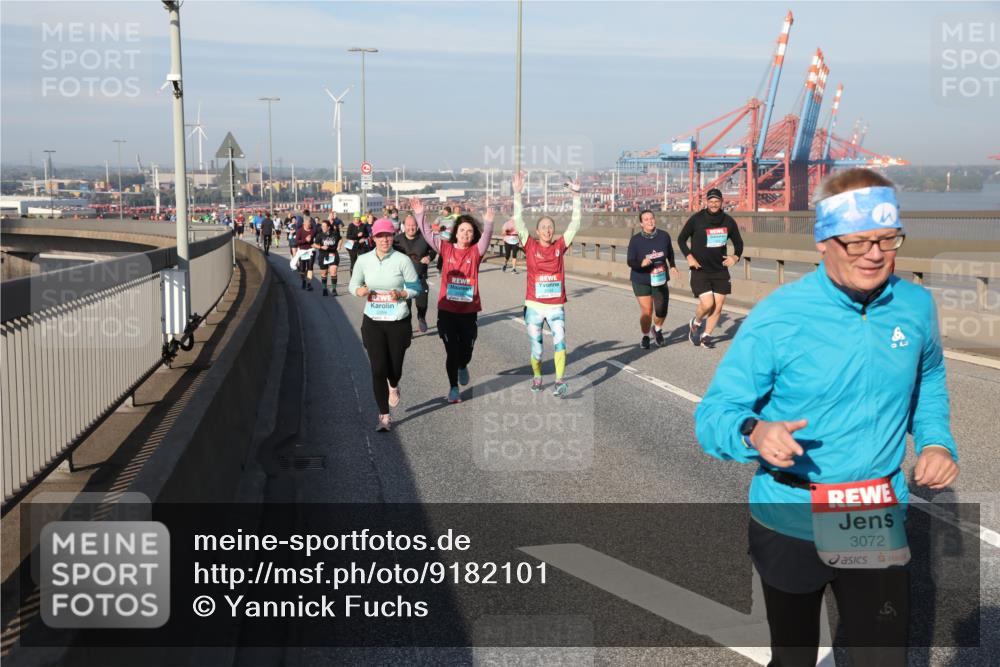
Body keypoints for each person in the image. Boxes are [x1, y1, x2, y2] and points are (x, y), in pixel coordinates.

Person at [694, 169, 959, 667]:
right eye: (857, 243)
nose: (875, 255)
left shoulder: (915, 305)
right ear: (823, 241)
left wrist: (936, 442)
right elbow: (715, 414)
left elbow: (930, 379)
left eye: (887, 239)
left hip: (870, 512)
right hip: (790, 512)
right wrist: (754, 431)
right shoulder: (779, 316)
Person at [415, 197, 494, 403]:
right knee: (451, 351)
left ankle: (463, 365)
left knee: (465, 352)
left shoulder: (476, 252)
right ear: (455, 232)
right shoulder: (446, 248)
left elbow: (486, 237)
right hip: (447, 310)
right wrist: (420, 215)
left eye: (469, 231)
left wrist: (489, 222)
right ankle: (453, 388)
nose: (466, 234)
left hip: (469, 311)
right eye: (462, 230)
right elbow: (428, 235)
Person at [349, 218, 422, 431]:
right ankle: (384, 416)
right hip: (373, 320)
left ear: (393, 236)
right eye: (380, 236)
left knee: (395, 368)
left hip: (398, 321)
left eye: (388, 235)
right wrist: (359, 291)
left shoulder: (402, 260)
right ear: (373, 238)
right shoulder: (363, 260)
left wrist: (402, 293)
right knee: (378, 368)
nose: (384, 240)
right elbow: (354, 284)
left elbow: (416, 287)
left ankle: (394, 384)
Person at [512, 172, 581, 396]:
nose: (547, 230)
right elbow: (519, 221)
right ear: (537, 231)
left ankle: (560, 381)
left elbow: (575, 224)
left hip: (555, 305)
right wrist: (517, 194)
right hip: (534, 305)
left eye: (550, 227)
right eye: (543, 227)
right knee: (538, 350)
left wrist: (576, 196)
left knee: (560, 342)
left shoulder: (560, 245)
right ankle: (538, 376)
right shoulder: (530, 245)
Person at [677, 188, 744, 349]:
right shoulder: (697, 219)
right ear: (706, 202)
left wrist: (735, 257)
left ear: (721, 203)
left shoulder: (728, 221)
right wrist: (689, 257)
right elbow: (681, 239)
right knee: (707, 304)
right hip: (700, 269)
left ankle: (706, 335)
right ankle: (696, 322)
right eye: (711, 201)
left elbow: (738, 242)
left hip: (720, 270)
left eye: (717, 201)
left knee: (718, 306)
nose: (714, 204)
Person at [626, 210, 680, 349]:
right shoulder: (636, 240)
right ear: (641, 223)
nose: (650, 221)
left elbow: (670, 253)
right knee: (647, 311)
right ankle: (645, 336)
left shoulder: (664, 236)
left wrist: (673, 266)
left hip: (660, 278)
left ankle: (656, 329)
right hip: (641, 278)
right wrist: (641, 263)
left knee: (662, 310)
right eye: (646, 219)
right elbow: (630, 261)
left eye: (651, 218)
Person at [394, 213, 432, 333]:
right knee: (406, 306)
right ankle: (408, 328)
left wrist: (429, 257)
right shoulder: (397, 240)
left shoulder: (424, 238)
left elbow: (434, 250)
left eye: (414, 225)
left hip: (420, 277)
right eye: (409, 225)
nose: (411, 228)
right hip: (403, 280)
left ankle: (421, 317)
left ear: (417, 226)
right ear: (404, 226)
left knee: (422, 303)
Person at [313, 218, 342, 296]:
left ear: (328, 227)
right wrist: (321, 247)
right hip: (323, 255)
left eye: (324, 226)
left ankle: (334, 289)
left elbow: (340, 239)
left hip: (333, 254)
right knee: (324, 273)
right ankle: (324, 289)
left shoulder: (335, 233)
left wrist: (339, 246)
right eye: (322, 226)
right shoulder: (319, 235)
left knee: (333, 270)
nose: (322, 228)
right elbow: (314, 244)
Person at [293, 216, 317, 290]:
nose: (310, 224)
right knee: (302, 269)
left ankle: (309, 284)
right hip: (302, 251)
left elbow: (317, 239)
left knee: (310, 268)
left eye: (310, 222)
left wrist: (315, 243)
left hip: (310, 251)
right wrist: (305, 240)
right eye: (309, 222)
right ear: (304, 223)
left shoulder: (313, 231)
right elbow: (297, 242)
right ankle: (303, 281)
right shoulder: (300, 231)